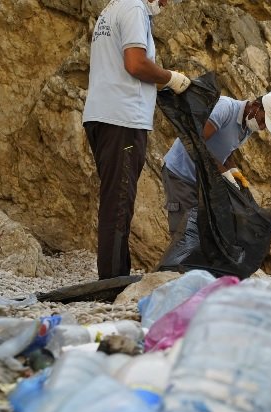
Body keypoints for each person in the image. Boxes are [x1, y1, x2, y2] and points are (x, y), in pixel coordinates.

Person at [82, 0, 191, 280]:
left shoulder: (113, 7)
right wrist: (169, 78)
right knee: (119, 201)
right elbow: (135, 62)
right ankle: (113, 280)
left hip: (103, 115)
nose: (166, 5)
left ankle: (115, 273)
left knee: (115, 198)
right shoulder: (134, 9)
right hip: (123, 121)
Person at [161, 90, 271, 239]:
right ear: (256, 106)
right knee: (183, 232)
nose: (262, 127)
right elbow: (197, 142)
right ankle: (177, 262)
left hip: (200, 178)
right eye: (262, 121)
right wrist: (222, 171)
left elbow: (226, 149)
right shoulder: (225, 108)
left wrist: (233, 171)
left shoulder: (248, 125)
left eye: (265, 125)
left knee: (199, 231)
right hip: (180, 173)